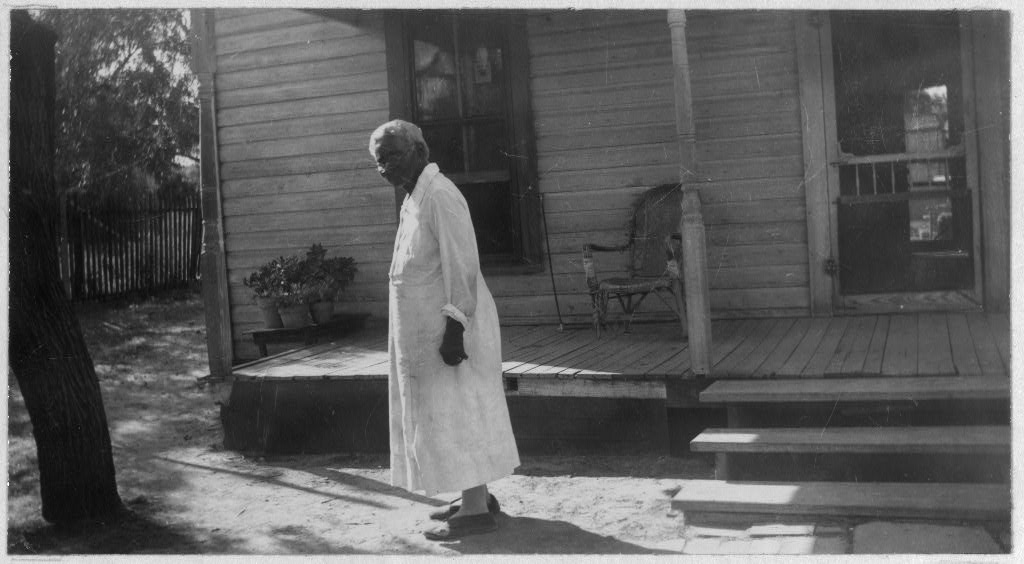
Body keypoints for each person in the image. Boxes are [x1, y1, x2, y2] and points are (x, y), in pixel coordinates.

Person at [368, 120, 520, 540]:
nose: (385, 167)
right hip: (425, 332)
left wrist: (455, 328)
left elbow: (462, 264)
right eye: (379, 161)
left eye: (393, 156)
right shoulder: (414, 197)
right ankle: (476, 497)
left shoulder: (440, 195)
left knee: (460, 411)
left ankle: (475, 512)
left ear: (421, 151)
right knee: (446, 414)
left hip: (450, 328)